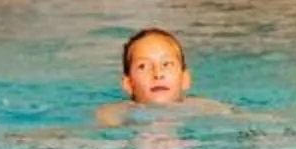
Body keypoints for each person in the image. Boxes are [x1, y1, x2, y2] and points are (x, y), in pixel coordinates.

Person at [94, 28, 232, 125]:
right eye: (143, 66)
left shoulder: (206, 108)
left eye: (166, 64)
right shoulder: (114, 114)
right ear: (128, 84)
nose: (158, 74)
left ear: (185, 79)